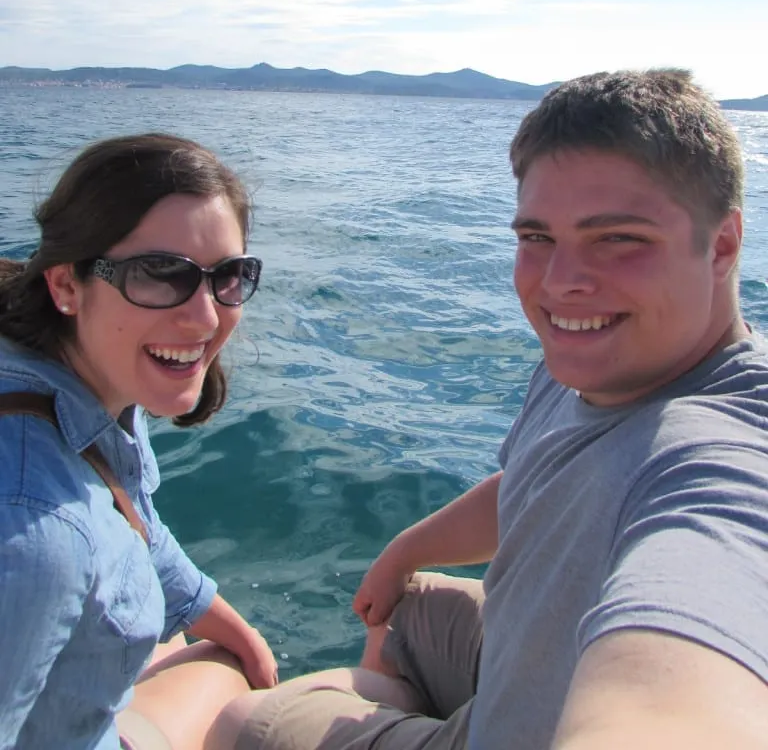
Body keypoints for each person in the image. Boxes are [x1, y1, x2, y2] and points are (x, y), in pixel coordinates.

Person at [212, 69, 768, 750]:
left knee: (240, 719)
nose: (561, 284)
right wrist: (404, 549)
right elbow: (538, 486)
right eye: (537, 237)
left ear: (722, 245)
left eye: (617, 238)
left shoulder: (723, 454)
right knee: (410, 606)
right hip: (521, 673)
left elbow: (686, 671)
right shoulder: (600, 354)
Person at [0, 133, 278, 750]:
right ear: (66, 284)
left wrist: (231, 625)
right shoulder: (36, 533)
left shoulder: (90, 379)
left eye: (227, 276)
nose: (206, 318)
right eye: (159, 274)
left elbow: (135, 526)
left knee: (221, 651)